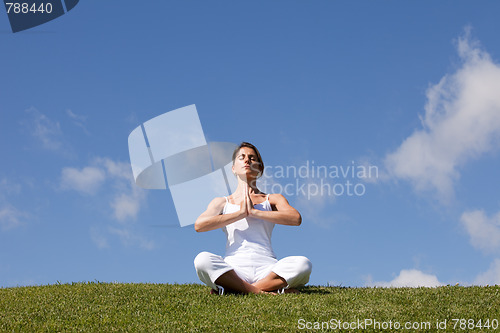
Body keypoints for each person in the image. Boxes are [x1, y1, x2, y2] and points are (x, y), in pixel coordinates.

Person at [193, 142, 312, 295]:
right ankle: (265, 292)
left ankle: (234, 289)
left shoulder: (273, 199)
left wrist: (254, 212)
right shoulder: (222, 202)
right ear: (233, 168)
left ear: (260, 168)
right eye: (241, 157)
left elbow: (295, 218)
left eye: (252, 158)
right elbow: (200, 225)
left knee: (303, 264)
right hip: (234, 268)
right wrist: (240, 213)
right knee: (202, 260)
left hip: (267, 268)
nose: (247, 160)